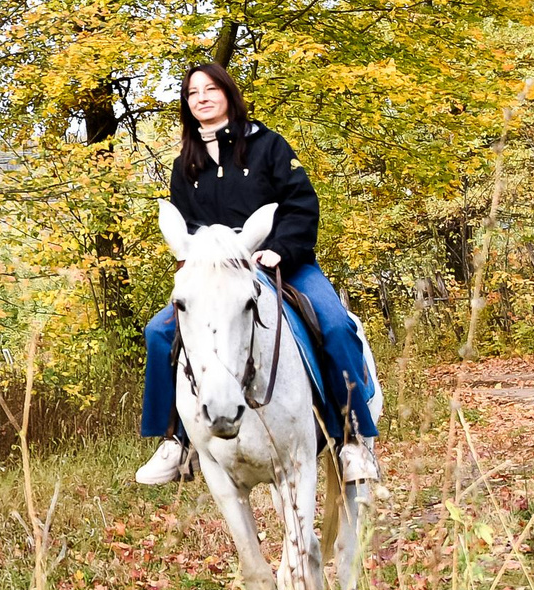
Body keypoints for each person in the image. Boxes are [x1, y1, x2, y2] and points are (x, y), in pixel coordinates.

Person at [138, 62, 380, 487]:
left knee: (337, 326)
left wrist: (278, 250)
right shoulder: (185, 166)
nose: (202, 98)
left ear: (228, 94)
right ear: (186, 104)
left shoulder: (269, 146)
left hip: (283, 262)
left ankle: (353, 440)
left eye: (211, 89)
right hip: (218, 277)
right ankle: (174, 441)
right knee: (159, 333)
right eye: (193, 93)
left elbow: (302, 205)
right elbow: (188, 231)